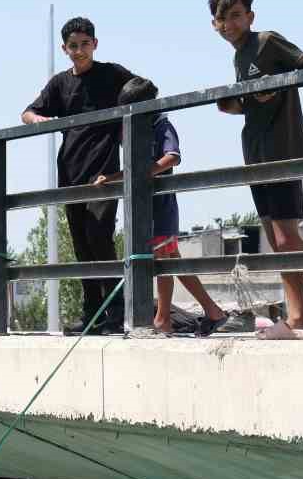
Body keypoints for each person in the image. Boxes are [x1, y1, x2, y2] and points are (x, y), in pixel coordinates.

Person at [210, 0, 303, 340]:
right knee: (276, 242)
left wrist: (278, 84)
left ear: (250, 16)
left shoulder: (266, 42)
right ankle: (297, 318)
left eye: (236, 16)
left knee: (288, 237)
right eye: (222, 19)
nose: (230, 24)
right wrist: (235, 102)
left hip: (283, 149)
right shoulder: (238, 56)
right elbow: (251, 104)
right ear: (215, 25)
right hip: (256, 154)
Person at [94, 77, 234, 336]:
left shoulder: (161, 124)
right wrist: (112, 178)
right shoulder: (131, 128)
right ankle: (212, 310)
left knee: (162, 260)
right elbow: (132, 168)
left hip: (160, 204)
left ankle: (162, 319)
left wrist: (146, 173)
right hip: (141, 205)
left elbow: (173, 157)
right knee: (171, 259)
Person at [22, 17, 136, 334]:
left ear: (95, 44)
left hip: (103, 173)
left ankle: (116, 312)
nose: (79, 50)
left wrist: (125, 117)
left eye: (85, 44)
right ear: (65, 49)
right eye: (73, 45)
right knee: (82, 246)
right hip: (70, 172)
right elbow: (28, 112)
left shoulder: (112, 74)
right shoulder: (60, 83)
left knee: (100, 237)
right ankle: (93, 315)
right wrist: (39, 121)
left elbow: (146, 90)